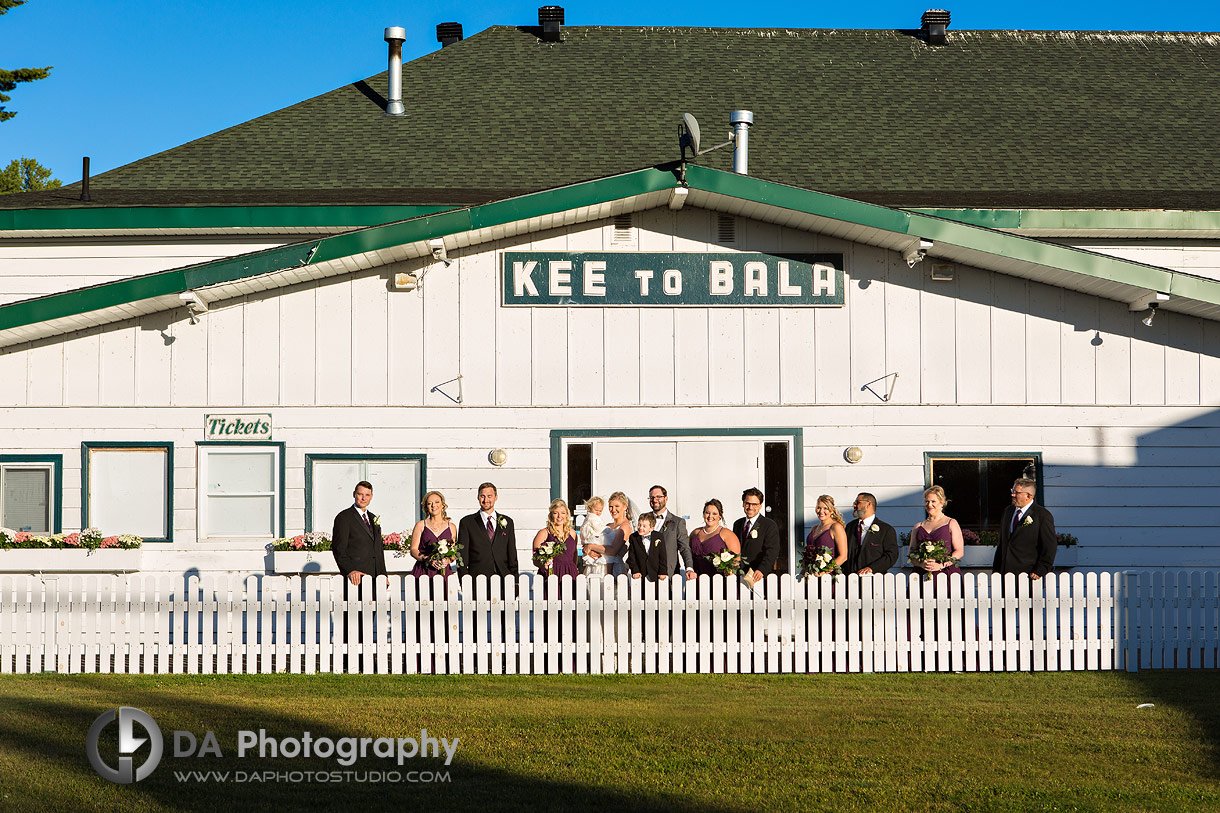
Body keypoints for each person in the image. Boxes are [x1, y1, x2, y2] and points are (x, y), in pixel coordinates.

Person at [995, 478, 1057, 579]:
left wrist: (1040, 569)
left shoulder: (1042, 515)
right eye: (1012, 491)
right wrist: (997, 570)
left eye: (1016, 492)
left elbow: (1049, 546)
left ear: (1028, 496)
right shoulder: (1008, 512)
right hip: (1004, 573)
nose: (1012, 495)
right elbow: (1002, 543)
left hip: (1028, 574)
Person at [331, 480, 388, 589]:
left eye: (367, 495)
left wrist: (383, 575)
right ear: (354, 494)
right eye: (360, 494)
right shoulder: (343, 517)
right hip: (355, 579)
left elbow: (378, 549)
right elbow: (338, 548)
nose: (363, 498)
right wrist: (350, 571)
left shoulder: (373, 518)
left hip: (375, 578)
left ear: (371, 496)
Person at [457, 482, 518, 578]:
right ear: (478, 497)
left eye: (489, 496)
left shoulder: (508, 522)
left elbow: (512, 554)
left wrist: (515, 580)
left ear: (496, 497)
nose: (486, 500)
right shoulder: (467, 522)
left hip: (504, 577)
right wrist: (464, 580)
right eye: (482, 496)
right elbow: (462, 556)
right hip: (477, 578)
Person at [910, 485, 963, 577]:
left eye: (933, 501)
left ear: (942, 503)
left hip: (946, 573)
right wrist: (922, 564)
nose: (929, 505)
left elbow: (959, 551)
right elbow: (911, 554)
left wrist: (941, 565)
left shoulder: (951, 523)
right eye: (927, 501)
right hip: (922, 573)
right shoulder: (918, 527)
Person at [732, 487, 780, 586]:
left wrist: (762, 570)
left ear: (760, 505)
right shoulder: (737, 524)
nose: (750, 507)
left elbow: (772, 551)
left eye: (754, 504)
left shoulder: (769, 525)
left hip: (758, 576)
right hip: (738, 576)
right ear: (743, 504)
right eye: (747, 503)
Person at [843, 492, 899, 575]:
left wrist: (872, 568)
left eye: (857, 502)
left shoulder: (886, 530)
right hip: (851, 579)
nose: (854, 505)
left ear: (868, 504)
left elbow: (891, 556)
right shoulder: (850, 527)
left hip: (874, 579)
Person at [649, 485, 696, 581]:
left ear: (666, 499)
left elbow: (684, 547)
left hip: (669, 574)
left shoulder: (678, 522)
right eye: (652, 497)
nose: (654, 500)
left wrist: (689, 568)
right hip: (646, 574)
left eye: (658, 497)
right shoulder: (643, 518)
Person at [409, 490, 459, 578]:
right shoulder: (420, 525)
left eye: (437, 502)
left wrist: (448, 560)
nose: (433, 505)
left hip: (444, 572)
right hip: (423, 571)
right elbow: (413, 550)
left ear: (442, 505)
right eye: (429, 503)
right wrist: (427, 559)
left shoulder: (451, 527)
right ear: (426, 507)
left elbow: (454, 552)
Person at [689, 498, 741, 577]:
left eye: (714, 514)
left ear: (720, 516)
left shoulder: (727, 534)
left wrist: (730, 570)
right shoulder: (695, 533)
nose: (710, 516)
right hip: (697, 578)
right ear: (703, 514)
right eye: (707, 513)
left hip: (719, 578)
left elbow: (736, 558)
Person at [532, 498, 580, 578]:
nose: (559, 516)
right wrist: (544, 565)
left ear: (567, 515)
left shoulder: (572, 533)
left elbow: (574, 556)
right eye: (555, 513)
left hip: (570, 574)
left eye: (563, 513)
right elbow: (535, 559)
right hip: (551, 574)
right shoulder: (544, 533)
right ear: (551, 515)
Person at [803, 495, 848, 574]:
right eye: (819, 508)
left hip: (829, 575)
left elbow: (843, 556)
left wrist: (823, 571)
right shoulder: (814, 528)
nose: (821, 511)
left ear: (831, 510)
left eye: (825, 508)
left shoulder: (836, 527)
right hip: (812, 575)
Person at [626, 512, 669, 582]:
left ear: (651, 528)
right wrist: (635, 570)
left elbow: (663, 556)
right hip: (640, 573)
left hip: (655, 573)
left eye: (644, 526)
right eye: (639, 525)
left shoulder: (659, 537)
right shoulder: (633, 537)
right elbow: (632, 556)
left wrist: (663, 571)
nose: (640, 528)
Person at [579, 496, 614, 575]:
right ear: (589, 508)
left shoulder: (592, 517)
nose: (598, 512)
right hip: (591, 538)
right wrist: (608, 530)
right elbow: (599, 528)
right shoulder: (592, 517)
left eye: (600, 511)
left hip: (590, 540)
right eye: (596, 510)